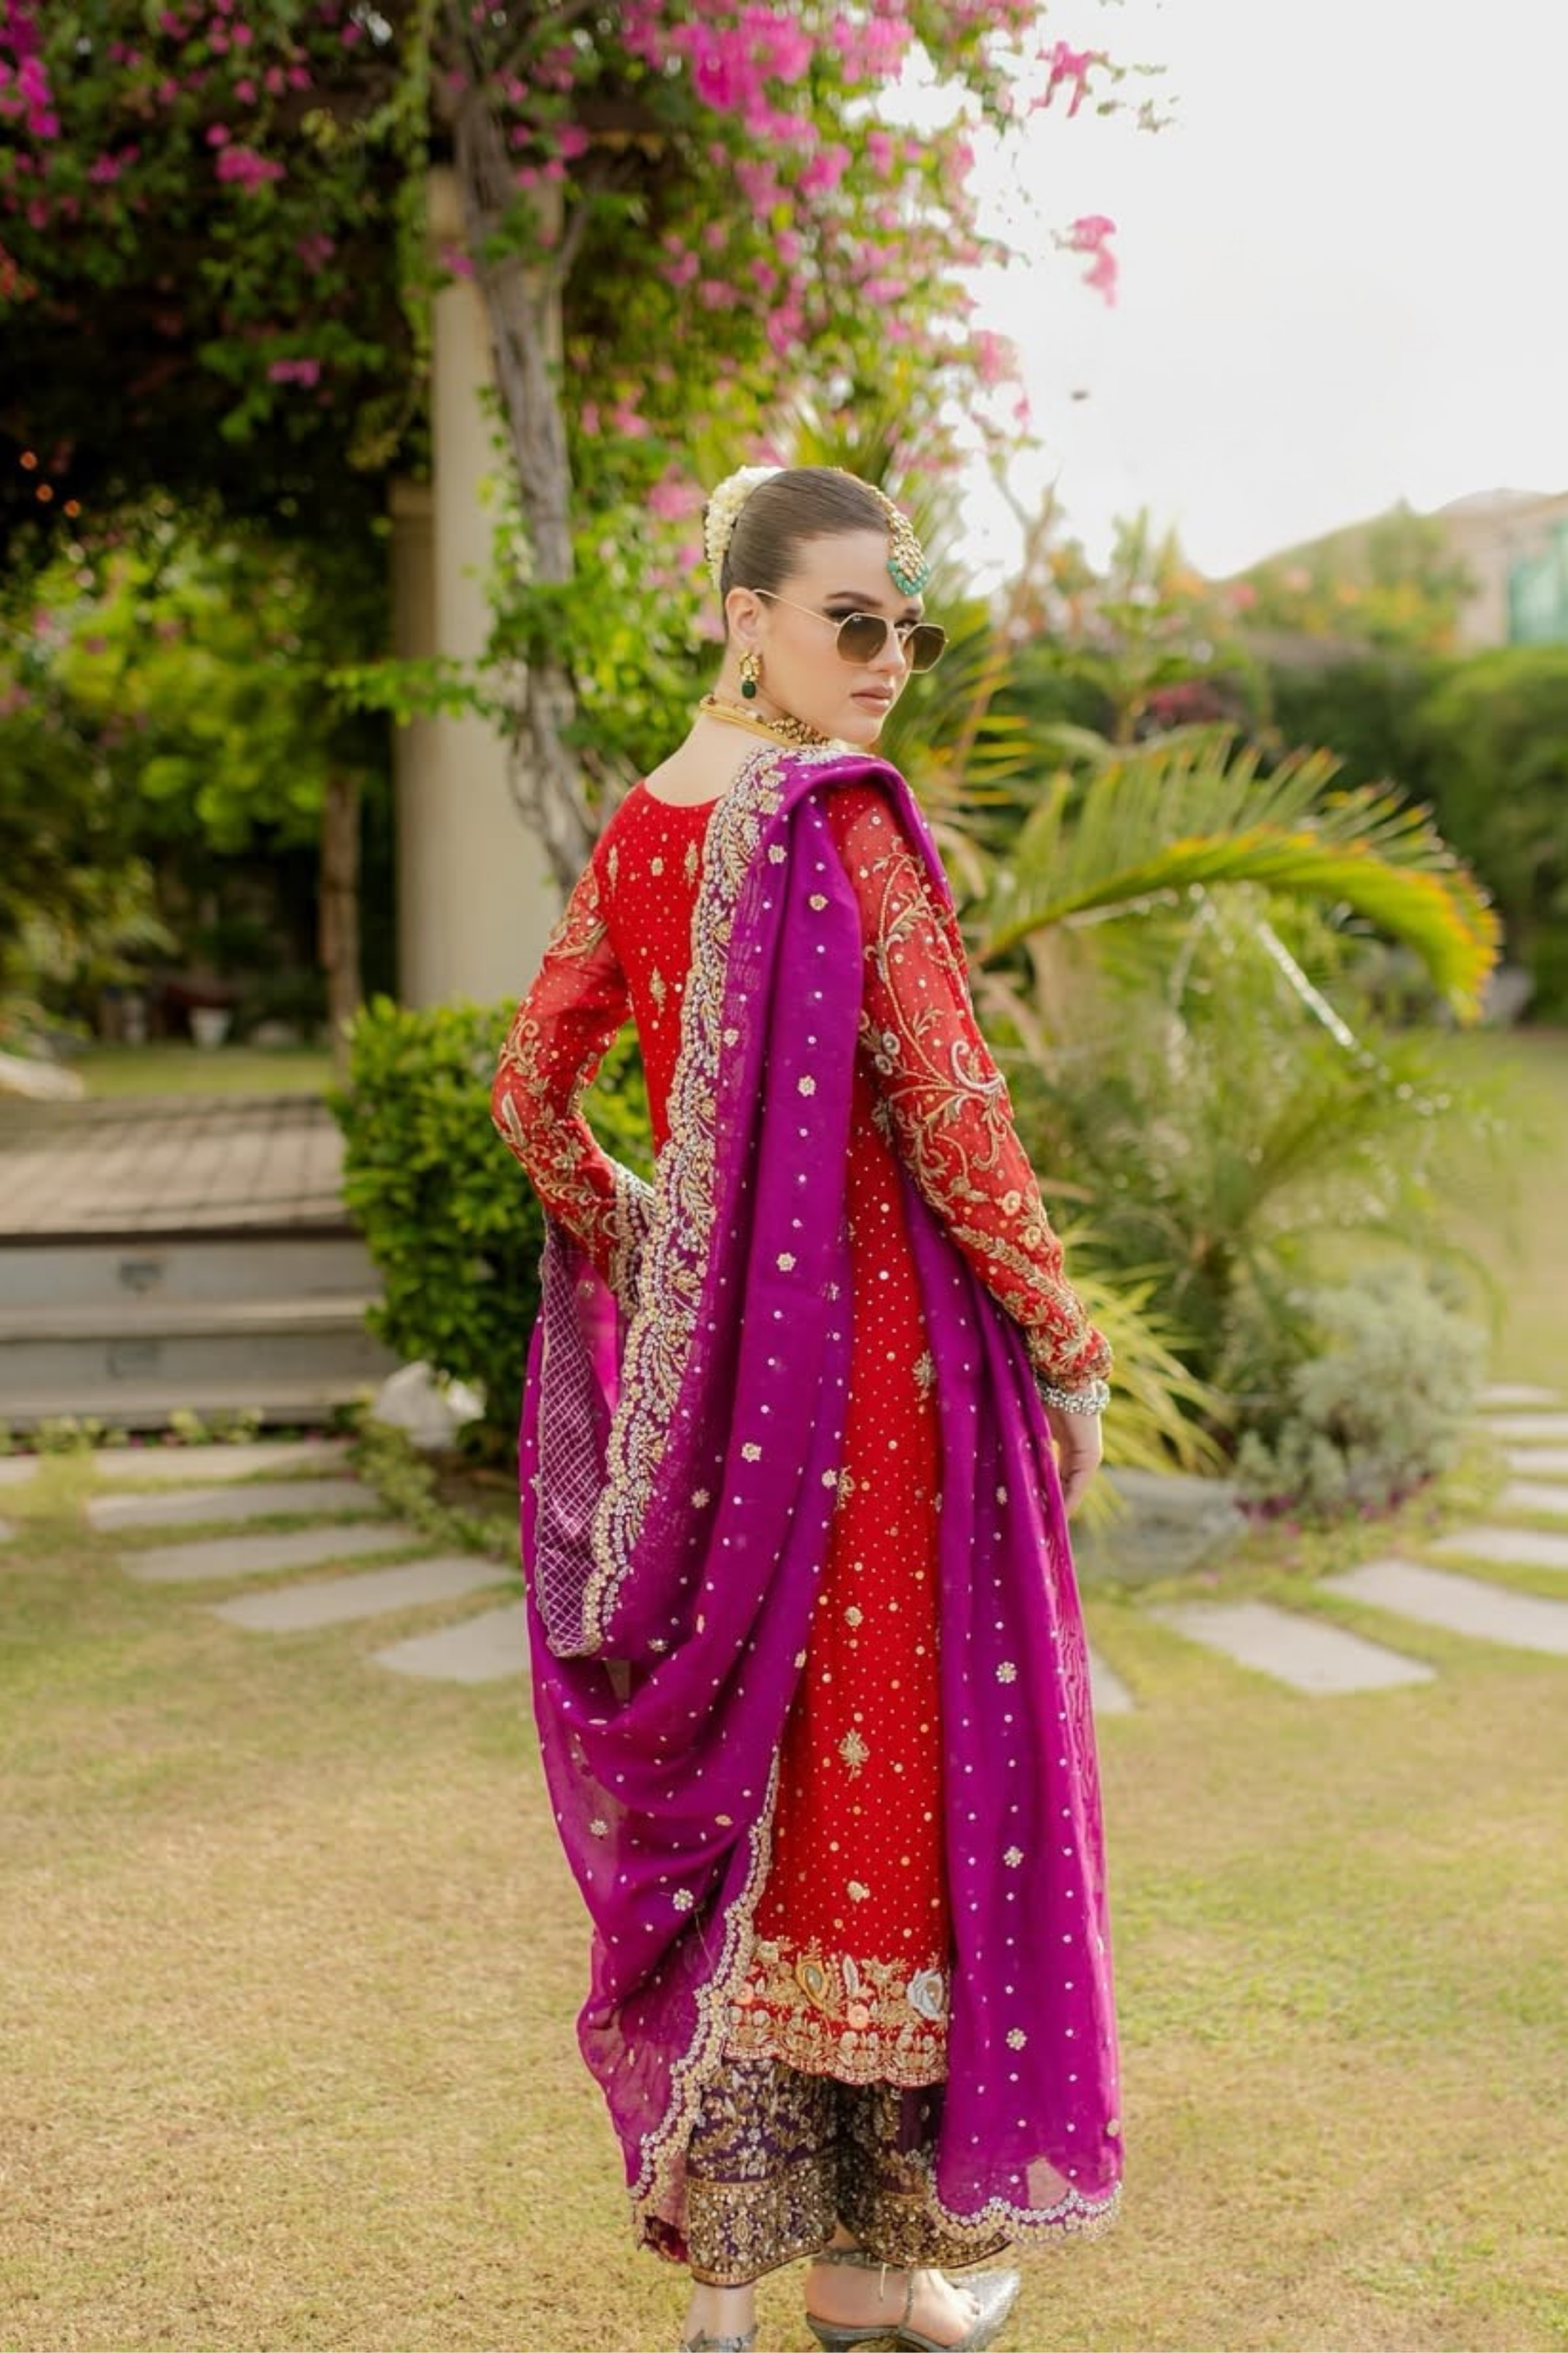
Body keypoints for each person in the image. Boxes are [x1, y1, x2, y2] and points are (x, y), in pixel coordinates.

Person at [491, 465, 1121, 2353]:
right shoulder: (837, 820)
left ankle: (744, 2267)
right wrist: (1065, 1340)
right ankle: (873, 2269)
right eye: (851, 621)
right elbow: (952, 1104)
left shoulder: (641, 832)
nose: (886, 663)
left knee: (764, 1785)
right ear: (741, 614)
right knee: (879, 1793)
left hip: (713, 1407)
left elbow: (532, 1095)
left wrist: (664, 1247)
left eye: (904, 628)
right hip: (882, 1389)